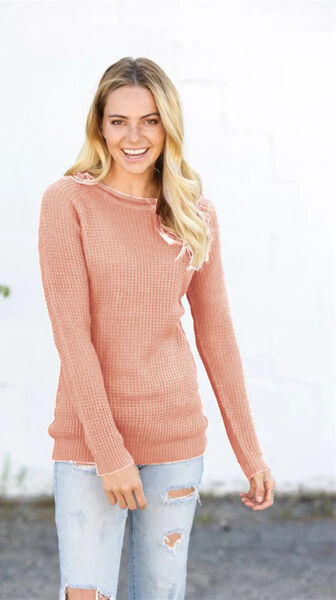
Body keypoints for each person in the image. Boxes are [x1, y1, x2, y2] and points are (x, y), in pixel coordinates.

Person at [38, 56, 276, 600]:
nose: (134, 136)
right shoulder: (67, 202)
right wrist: (110, 452)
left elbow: (217, 336)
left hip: (175, 439)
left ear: (168, 126)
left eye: (149, 120)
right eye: (119, 121)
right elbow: (72, 336)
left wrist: (250, 453)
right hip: (89, 443)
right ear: (100, 126)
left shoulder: (194, 212)